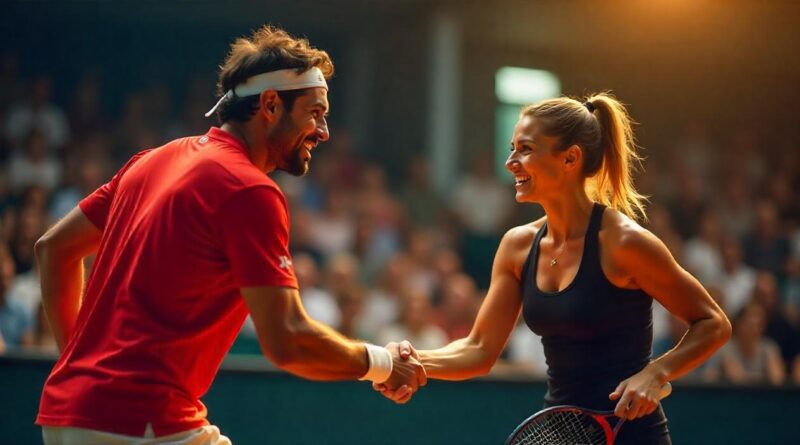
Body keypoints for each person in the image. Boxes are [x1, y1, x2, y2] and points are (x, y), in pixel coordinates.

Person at [34, 25, 425, 445]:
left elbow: (53, 248)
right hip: (139, 420)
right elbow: (288, 341)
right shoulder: (249, 190)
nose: (324, 131)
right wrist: (382, 362)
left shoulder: (152, 160)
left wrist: (78, 365)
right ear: (271, 105)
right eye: (315, 112)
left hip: (68, 412)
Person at [377, 93, 731, 445]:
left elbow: (713, 322)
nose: (510, 162)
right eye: (511, 148)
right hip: (559, 435)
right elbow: (479, 349)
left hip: (634, 436)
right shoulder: (517, 245)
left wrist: (656, 373)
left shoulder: (624, 243)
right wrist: (411, 361)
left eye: (525, 149)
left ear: (570, 158)